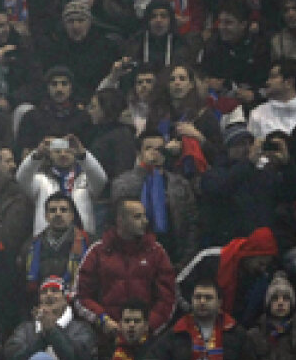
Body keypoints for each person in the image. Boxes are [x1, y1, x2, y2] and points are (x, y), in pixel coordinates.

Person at [74, 197, 176, 334]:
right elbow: (81, 296)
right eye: (138, 217)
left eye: (144, 216)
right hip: (106, 336)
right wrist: (103, 319)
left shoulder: (156, 252)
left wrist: (148, 326)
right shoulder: (97, 252)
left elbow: (168, 297)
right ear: (120, 220)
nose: (145, 221)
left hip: (148, 339)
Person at [155, 277, 250, 360]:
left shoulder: (236, 333)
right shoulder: (176, 333)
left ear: (219, 302)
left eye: (208, 298)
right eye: (198, 297)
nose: (202, 301)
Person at [110, 129, 199, 268]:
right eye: (148, 148)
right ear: (139, 153)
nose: (154, 152)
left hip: (173, 255)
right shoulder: (123, 183)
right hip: (134, 256)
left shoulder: (180, 184)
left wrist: (185, 260)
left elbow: (192, 223)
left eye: (159, 149)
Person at [4, 275, 96, 360]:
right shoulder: (24, 329)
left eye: (55, 290)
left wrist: (52, 331)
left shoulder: (81, 329)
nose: (49, 295)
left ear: (66, 298)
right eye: (44, 292)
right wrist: (44, 335)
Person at [41, 0, 121, 102]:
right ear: (64, 25)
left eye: (80, 20)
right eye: (70, 21)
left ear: (89, 22)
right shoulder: (55, 49)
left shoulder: (105, 47)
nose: (76, 26)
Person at [20, 192, 93, 297]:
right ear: (46, 216)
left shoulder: (88, 242)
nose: (58, 214)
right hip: (41, 301)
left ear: (72, 215)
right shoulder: (30, 245)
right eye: (53, 210)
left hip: (77, 300)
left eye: (63, 210)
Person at [248, 59, 296, 149]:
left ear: (289, 83)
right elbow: (255, 152)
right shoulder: (257, 114)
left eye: (273, 77)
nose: (267, 82)